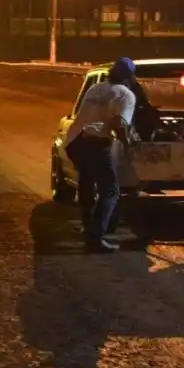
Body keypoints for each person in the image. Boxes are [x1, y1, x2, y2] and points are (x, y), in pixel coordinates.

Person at [64, 57, 137, 253]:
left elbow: (86, 114)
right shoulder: (126, 95)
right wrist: (129, 142)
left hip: (75, 142)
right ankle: (95, 238)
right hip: (96, 144)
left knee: (86, 185)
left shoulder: (95, 88)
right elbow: (119, 124)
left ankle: (89, 229)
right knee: (111, 190)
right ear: (130, 77)